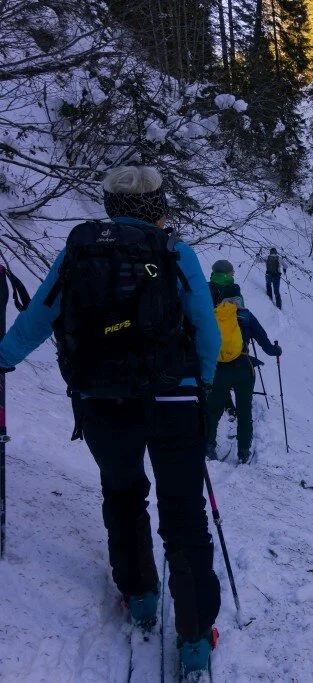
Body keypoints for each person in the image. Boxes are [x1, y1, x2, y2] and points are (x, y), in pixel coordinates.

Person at [0, 166, 221, 676]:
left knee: (123, 497)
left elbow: (40, 316)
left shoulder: (79, 252)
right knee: (184, 516)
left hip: (101, 399)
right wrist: (203, 385)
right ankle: (194, 638)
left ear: (109, 205)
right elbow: (205, 328)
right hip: (173, 399)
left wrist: (4, 357)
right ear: (157, 205)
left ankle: (140, 596)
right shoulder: (175, 252)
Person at [207, 266, 281, 464]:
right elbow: (266, 345)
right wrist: (277, 350)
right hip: (243, 369)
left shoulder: (214, 315)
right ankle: (243, 451)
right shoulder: (247, 316)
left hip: (219, 369)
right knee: (244, 410)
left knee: (213, 409)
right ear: (239, 298)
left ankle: (209, 445)